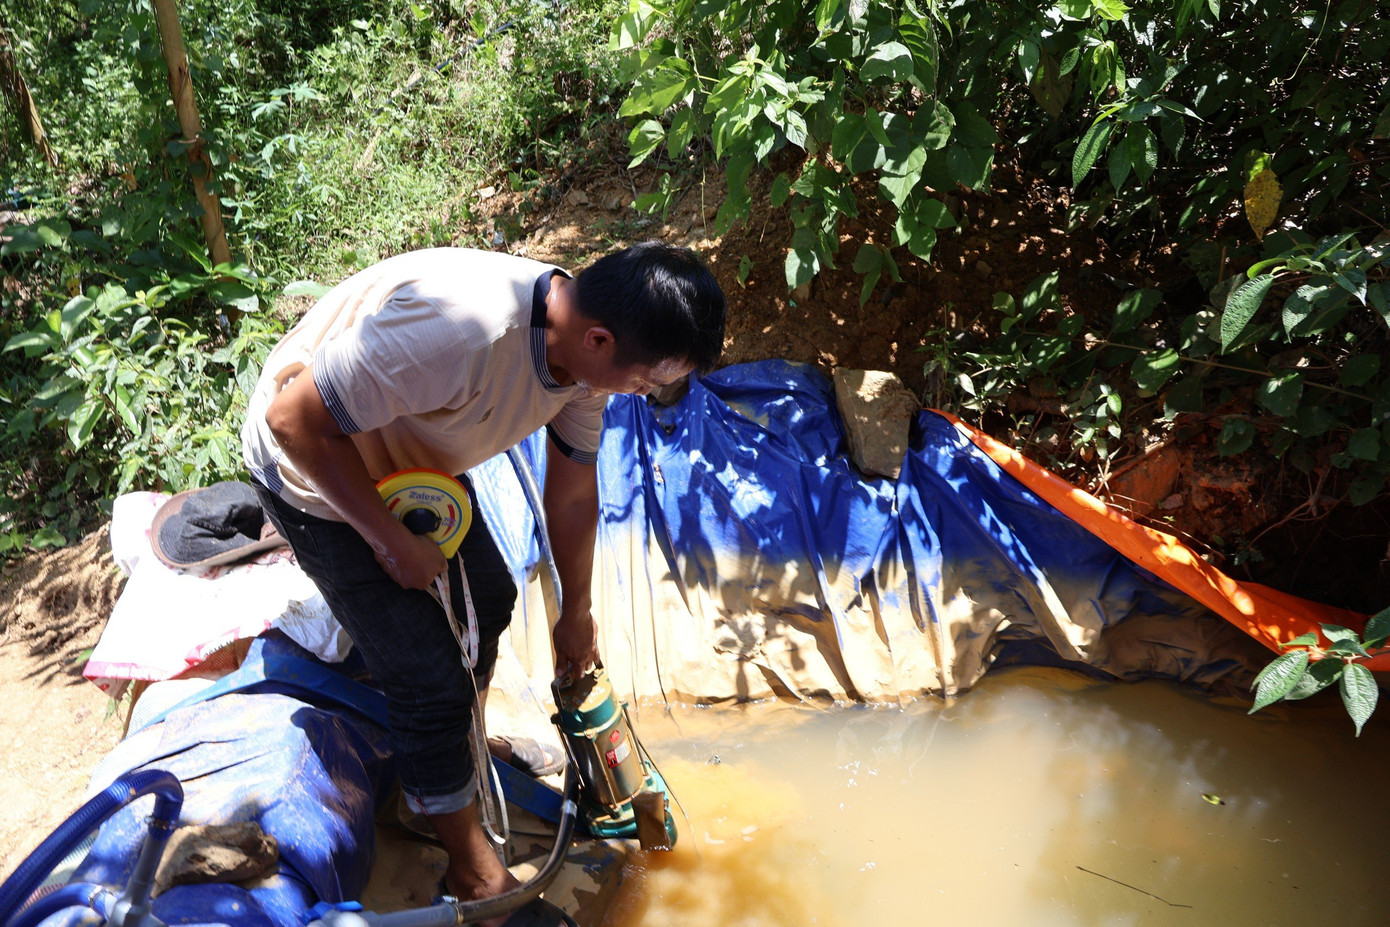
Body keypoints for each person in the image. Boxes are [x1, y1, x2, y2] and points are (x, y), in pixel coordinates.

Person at [240, 242, 726, 926]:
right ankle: (474, 874)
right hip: (317, 471)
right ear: (598, 338)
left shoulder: (585, 362)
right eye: (645, 382)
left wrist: (576, 613)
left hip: (410, 460)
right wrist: (388, 539)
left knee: (490, 598)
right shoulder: (462, 331)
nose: (639, 395)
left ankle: (440, 775)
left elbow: (572, 486)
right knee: (426, 671)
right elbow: (293, 419)